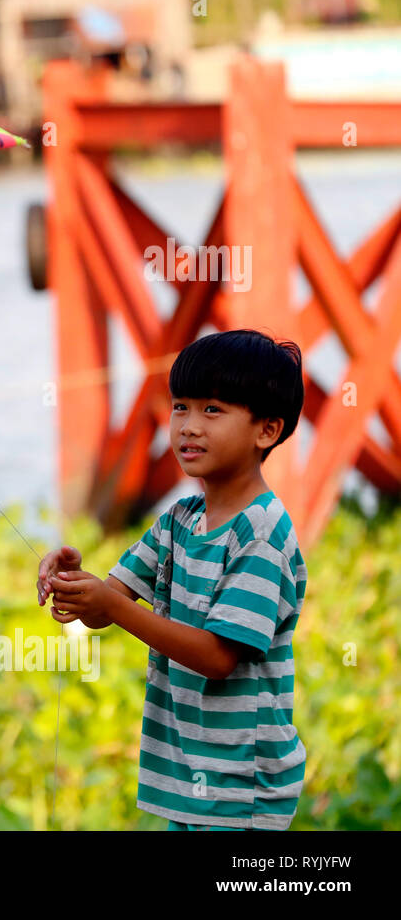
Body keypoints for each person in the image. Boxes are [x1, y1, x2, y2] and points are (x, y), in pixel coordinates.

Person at [37, 329, 307, 830]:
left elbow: (218, 657)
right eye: (180, 407)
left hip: (239, 784)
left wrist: (116, 609)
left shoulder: (262, 535)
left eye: (212, 410)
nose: (188, 426)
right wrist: (77, 583)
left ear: (266, 431)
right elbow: (107, 606)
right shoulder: (178, 520)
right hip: (182, 774)